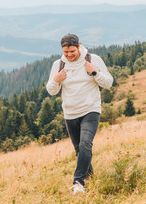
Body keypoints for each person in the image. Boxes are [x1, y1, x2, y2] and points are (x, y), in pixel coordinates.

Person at [46, 34, 113, 194]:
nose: (69, 55)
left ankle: (78, 181)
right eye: (66, 51)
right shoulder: (59, 64)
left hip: (91, 109)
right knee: (78, 149)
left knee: (85, 144)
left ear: (78, 47)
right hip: (70, 113)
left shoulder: (93, 59)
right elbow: (51, 91)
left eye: (72, 51)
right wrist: (56, 80)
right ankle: (90, 177)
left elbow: (109, 83)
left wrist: (95, 72)